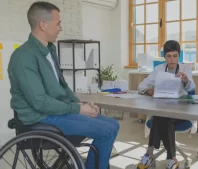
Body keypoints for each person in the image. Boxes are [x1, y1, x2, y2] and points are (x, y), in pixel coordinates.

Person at [7, 2, 119, 169]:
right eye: (58, 23)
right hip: (38, 117)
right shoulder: (23, 57)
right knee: (106, 131)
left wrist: (81, 104)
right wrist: (79, 110)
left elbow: (62, 87)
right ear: (43, 25)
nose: (61, 28)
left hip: (57, 111)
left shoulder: (49, 51)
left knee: (114, 125)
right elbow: (40, 103)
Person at [136, 40, 197, 169]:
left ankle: (149, 154)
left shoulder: (185, 69)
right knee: (164, 117)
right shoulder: (158, 69)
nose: (172, 59)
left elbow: (192, 87)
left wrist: (186, 80)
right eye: (169, 56)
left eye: (175, 56)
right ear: (164, 57)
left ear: (179, 56)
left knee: (160, 116)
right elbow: (141, 85)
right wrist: (148, 90)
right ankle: (172, 158)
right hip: (164, 110)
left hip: (181, 111)